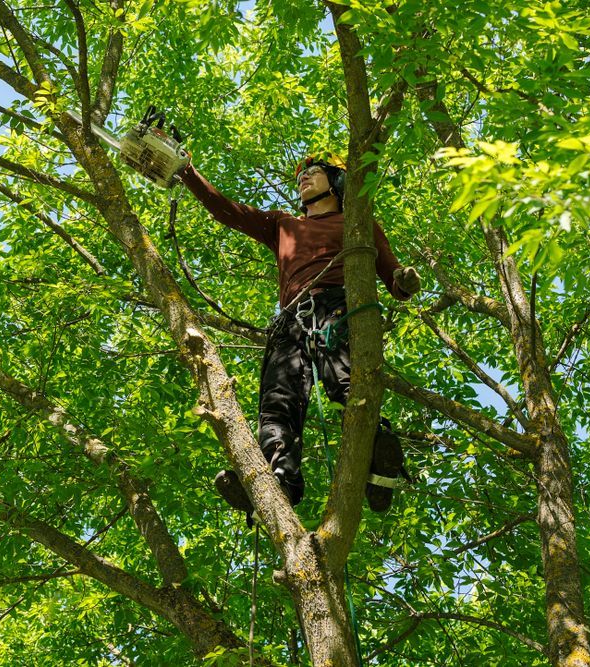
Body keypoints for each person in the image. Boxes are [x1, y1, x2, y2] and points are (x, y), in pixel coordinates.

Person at [179, 155, 421, 517]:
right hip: (292, 320)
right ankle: (279, 477)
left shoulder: (358, 223)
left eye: (314, 172)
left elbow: (393, 275)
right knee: (278, 402)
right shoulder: (283, 225)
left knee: (349, 383)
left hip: (339, 308)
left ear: (336, 182)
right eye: (300, 176)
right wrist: (186, 172)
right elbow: (227, 210)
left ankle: (376, 457)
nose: (304, 178)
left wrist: (405, 280)